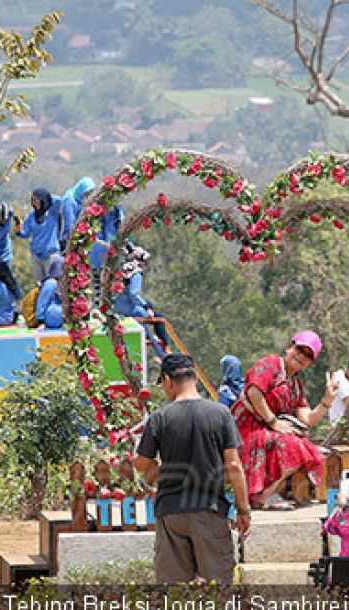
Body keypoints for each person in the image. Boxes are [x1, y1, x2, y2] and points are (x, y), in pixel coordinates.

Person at [134, 354, 251, 584]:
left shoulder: (159, 418)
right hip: (209, 510)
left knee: (174, 591)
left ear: (167, 380)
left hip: (171, 512)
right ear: (195, 379)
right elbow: (234, 466)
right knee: (220, 587)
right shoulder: (220, 414)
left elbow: (141, 465)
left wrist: (143, 453)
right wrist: (243, 509)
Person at [230, 331, 336, 510]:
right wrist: (273, 422)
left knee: (306, 448)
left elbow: (307, 419)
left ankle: (262, 495)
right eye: (299, 349)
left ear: (310, 363)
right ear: (289, 347)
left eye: (308, 355)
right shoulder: (271, 364)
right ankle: (259, 496)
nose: (301, 355)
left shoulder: (295, 384)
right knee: (292, 445)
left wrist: (327, 399)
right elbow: (254, 391)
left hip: (266, 429)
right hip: (245, 427)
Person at [114, 246, 171, 356]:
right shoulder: (136, 273)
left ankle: (153, 340)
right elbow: (133, 294)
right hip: (129, 310)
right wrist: (146, 307)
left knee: (148, 323)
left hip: (116, 307)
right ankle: (165, 349)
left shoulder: (121, 269)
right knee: (159, 319)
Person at [17, 188, 63, 284]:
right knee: (39, 285)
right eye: (33, 200)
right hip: (36, 255)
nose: (34, 203)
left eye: (37, 200)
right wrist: (18, 231)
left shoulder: (52, 213)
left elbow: (59, 200)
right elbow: (25, 233)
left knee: (52, 284)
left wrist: (47, 197)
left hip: (50, 254)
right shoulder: (31, 216)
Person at [59, 177, 95, 252]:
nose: (87, 197)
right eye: (86, 194)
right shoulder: (70, 201)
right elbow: (69, 224)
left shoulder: (78, 201)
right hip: (67, 241)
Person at [35, 256, 65, 329]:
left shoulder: (62, 282)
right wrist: (41, 321)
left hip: (60, 321)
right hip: (50, 319)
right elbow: (42, 302)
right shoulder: (51, 283)